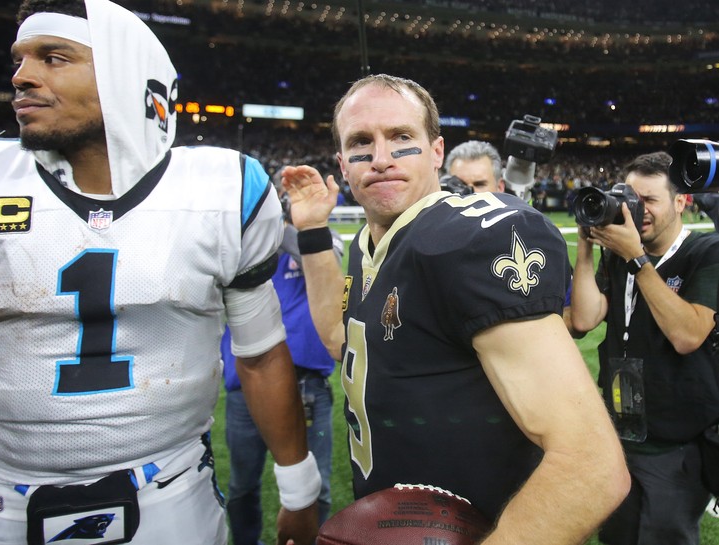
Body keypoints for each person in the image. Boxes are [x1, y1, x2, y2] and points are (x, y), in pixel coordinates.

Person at [0, 1, 320, 544]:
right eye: (20, 59)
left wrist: (299, 486)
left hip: (171, 501)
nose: (21, 77)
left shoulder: (224, 189)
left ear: (130, 78)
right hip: (2, 507)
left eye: (53, 57)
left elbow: (259, 355)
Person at [281, 73, 629, 544]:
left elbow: (590, 465)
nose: (381, 159)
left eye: (401, 137)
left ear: (437, 152)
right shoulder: (370, 246)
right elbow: (340, 339)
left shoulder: (469, 239)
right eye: (362, 142)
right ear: (342, 164)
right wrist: (313, 232)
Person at [570, 151, 719, 545]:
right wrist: (587, 247)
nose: (638, 210)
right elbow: (584, 320)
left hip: (677, 443)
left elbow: (688, 335)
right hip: (619, 433)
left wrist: (637, 258)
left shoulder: (706, 252)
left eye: (649, 200)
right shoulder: (617, 257)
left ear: (681, 201)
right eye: (630, 199)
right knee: (617, 536)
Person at [221, 192, 343, 544]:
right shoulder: (237, 249)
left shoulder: (317, 240)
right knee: (242, 486)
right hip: (245, 387)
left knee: (315, 485)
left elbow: (328, 253)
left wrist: (276, 226)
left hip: (308, 388)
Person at [444, 139, 583, 337]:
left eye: (480, 184)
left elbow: (572, 316)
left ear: (500, 187)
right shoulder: (424, 243)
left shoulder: (536, 241)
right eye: (459, 185)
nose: (469, 193)